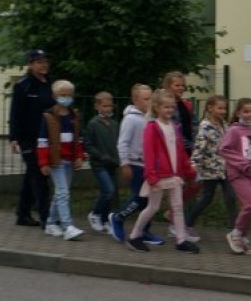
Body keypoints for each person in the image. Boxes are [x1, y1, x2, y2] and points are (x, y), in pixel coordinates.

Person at [127, 89, 198, 253]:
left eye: (172, 107)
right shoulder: (152, 127)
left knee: (178, 206)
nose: (169, 110)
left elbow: (180, 151)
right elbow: (149, 153)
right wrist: (151, 174)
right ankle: (134, 236)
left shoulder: (175, 127)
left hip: (174, 174)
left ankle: (181, 240)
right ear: (157, 107)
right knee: (153, 207)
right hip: (159, 175)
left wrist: (188, 170)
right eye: (166, 107)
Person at [109, 84, 162, 246]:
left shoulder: (152, 118)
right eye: (146, 99)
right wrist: (125, 164)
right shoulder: (131, 119)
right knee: (140, 198)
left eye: (151, 99)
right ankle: (118, 217)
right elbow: (123, 143)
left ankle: (144, 230)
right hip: (135, 164)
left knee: (149, 200)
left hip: (149, 165)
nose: (149, 102)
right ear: (135, 100)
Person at [7, 48, 54, 226]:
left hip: (46, 137)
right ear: (31, 64)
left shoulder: (51, 83)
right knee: (40, 176)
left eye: (45, 61)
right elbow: (16, 113)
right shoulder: (23, 86)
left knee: (31, 176)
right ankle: (46, 217)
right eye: (39, 62)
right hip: (29, 138)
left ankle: (23, 213)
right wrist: (13, 137)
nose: (43, 65)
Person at [38, 79, 87, 240]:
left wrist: (79, 156)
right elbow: (42, 141)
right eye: (63, 95)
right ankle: (67, 226)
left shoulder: (74, 116)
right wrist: (43, 162)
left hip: (69, 160)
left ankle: (51, 223)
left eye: (69, 95)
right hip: (56, 161)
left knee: (61, 193)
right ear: (54, 96)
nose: (66, 98)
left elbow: (78, 139)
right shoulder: (48, 117)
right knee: (63, 193)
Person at [218, 97, 251, 255]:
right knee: (250, 204)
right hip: (239, 173)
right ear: (238, 113)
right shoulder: (234, 131)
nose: (249, 114)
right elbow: (224, 149)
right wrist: (241, 163)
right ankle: (236, 234)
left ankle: (243, 237)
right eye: (245, 111)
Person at [185, 95, 236, 233]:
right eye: (220, 108)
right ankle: (188, 223)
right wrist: (194, 166)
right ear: (210, 108)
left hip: (225, 168)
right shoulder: (205, 127)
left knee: (231, 197)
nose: (223, 111)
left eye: (224, 108)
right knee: (207, 198)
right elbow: (199, 148)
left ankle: (236, 231)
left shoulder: (224, 124)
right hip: (210, 170)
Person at [83, 91, 120, 232]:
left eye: (110, 106)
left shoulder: (114, 124)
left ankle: (105, 219)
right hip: (99, 164)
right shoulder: (93, 124)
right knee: (108, 190)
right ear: (97, 106)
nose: (108, 109)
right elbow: (88, 145)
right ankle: (95, 214)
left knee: (110, 193)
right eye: (104, 106)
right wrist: (101, 156)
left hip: (112, 163)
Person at [162, 71, 196, 152]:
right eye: (177, 85)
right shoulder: (163, 106)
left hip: (188, 149)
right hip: (172, 148)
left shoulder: (186, 104)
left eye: (183, 85)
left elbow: (194, 126)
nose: (181, 88)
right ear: (168, 87)